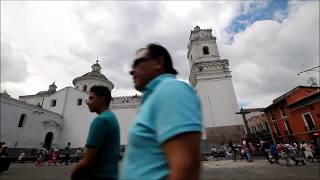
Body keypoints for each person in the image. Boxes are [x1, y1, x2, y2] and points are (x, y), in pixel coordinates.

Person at [122, 43, 202, 180]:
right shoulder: (154, 97)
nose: (131, 70)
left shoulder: (171, 90)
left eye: (138, 62)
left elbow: (186, 166)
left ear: (158, 62)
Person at [71, 85, 120, 180]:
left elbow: (87, 160)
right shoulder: (112, 117)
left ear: (102, 98)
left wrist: (74, 172)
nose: (87, 102)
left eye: (91, 98)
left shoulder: (100, 120)